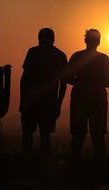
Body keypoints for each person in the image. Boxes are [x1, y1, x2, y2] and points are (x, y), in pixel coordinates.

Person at [20, 28, 67, 157]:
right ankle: (42, 162)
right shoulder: (59, 55)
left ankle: (27, 161)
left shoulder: (33, 52)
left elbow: (24, 78)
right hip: (47, 102)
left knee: (30, 133)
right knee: (44, 134)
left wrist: (23, 100)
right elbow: (63, 83)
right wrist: (58, 104)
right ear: (53, 39)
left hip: (33, 100)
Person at [67, 29, 109, 161]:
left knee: (78, 135)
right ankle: (99, 167)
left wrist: (82, 84)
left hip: (80, 98)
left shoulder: (76, 56)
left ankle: (75, 167)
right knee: (97, 136)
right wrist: (94, 86)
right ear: (99, 41)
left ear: (85, 40)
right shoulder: (104, 58)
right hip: (97, 99)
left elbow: (67, 78)